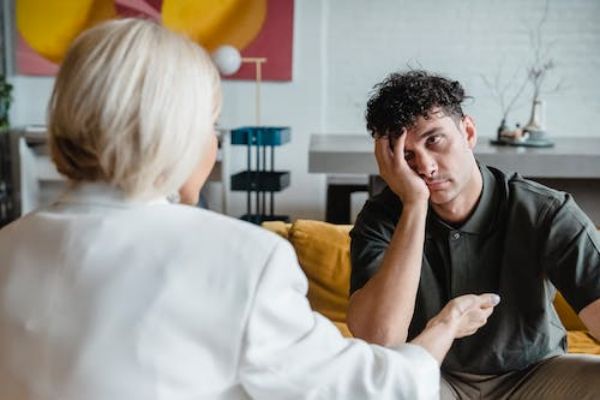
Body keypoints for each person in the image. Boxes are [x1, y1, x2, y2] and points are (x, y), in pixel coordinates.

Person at [0, 20, 499, 400]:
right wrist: (445, 326)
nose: (214, 144)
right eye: (211, 125)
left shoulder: (10, 244)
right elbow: (371, 390)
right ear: (175, 132)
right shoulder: (240, 259)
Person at [347, 69, 600, 399]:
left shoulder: (545, 210)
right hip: (434, 378)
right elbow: (380, 341)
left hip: (535, 375)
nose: (426, 167)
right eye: (407, 155)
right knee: (369, 390)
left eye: (434, 140)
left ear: (467, 132)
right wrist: (414, 204)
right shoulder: (381, 217)